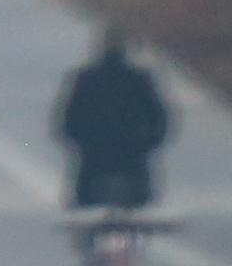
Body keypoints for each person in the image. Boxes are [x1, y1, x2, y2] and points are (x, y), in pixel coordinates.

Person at [54, 27, 172, 215]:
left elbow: (65, 123)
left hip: (95, 161)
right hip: (129, 160)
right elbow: (159, 121)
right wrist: (146, 144)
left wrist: (82, 143)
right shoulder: (139, 80)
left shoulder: (85, 80)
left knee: (86, 208)